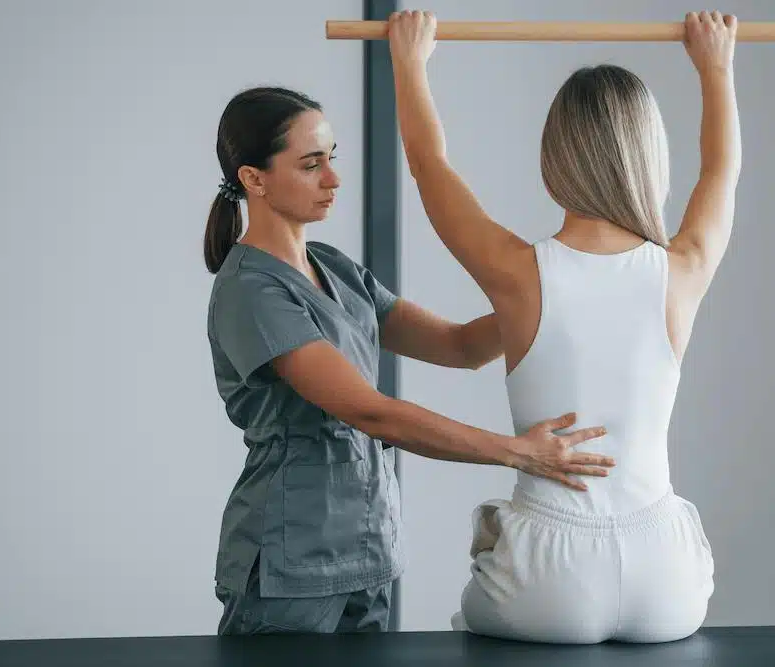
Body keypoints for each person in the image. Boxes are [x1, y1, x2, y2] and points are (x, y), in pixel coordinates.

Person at [203, 86, 617, 635]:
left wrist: (550, 288)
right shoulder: (253, 291)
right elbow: (370, 413)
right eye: (310, 164)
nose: (333, 178)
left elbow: (461, 347)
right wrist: (518, 453)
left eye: (332, 158)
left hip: (368, 547)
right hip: (290, 561)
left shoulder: (335, 268)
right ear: (254, 178)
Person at [387, 9, 740, 643]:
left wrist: (409, 62)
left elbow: (429, 165)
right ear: (648, 156)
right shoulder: (682, 269)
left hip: (546, 582)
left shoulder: (518, 273)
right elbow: (721, 170)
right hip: (667, 581)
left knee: (475, 602)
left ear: (554, 158)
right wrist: (716, 69)